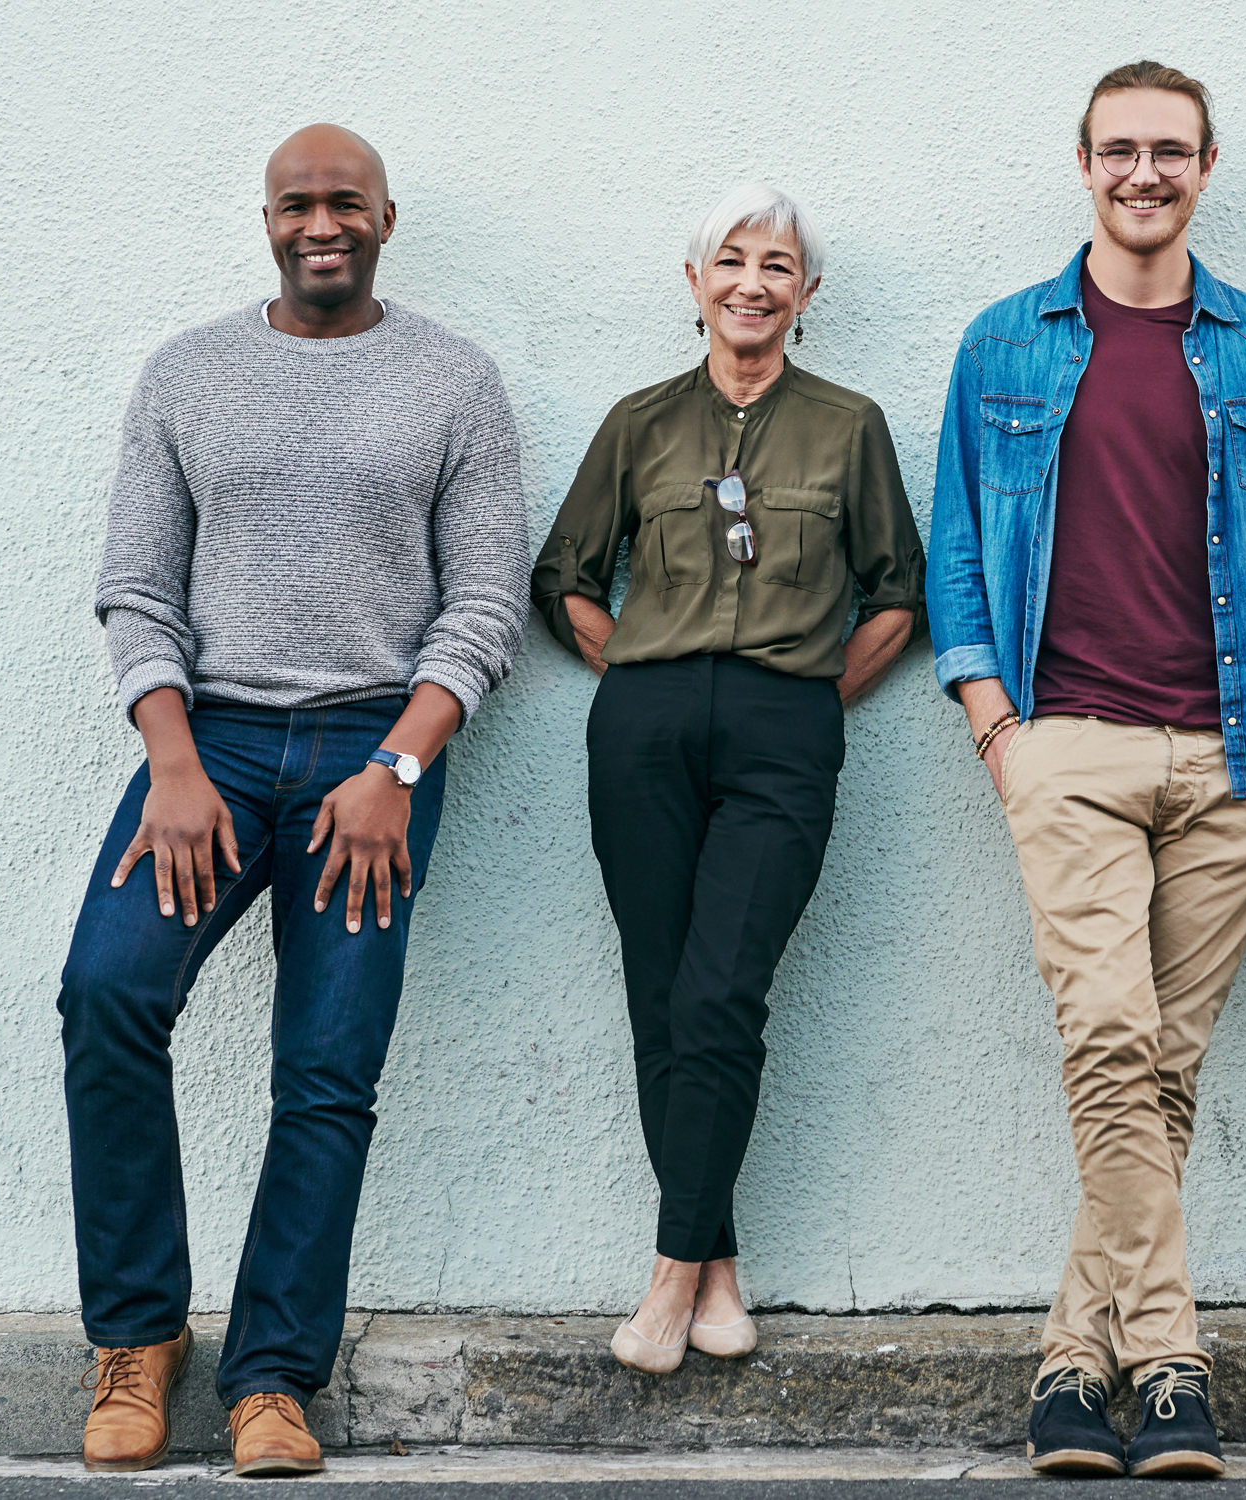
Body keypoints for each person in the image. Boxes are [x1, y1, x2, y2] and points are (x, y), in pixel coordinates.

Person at [57, 123, 528, 1478]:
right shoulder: (188, 374)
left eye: (346, 203)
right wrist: (173, 760)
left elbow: (483, 606)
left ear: (387, 217)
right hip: (205, 752)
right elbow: (137, 590)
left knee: (328, 1071)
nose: (321, 223)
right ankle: (139, 1343)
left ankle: (272, 1376)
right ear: (267, 219)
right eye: (295, 204)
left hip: (370, 761)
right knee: (108, 996)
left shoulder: (454, 380)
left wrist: (399, 767)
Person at [926, 59, 1246, 1481]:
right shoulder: (1006, 344)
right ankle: (1170, 1362)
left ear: (1207, 166)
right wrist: (997, 722)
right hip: (1071, 743)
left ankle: (1069, 1362)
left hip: (1235, 758)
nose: (1144, 173)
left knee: (1159, 1070)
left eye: (1171, 151)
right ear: (1085, 163)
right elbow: (959, 556)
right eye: (1121, 150)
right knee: (1110, 1039)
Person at [531, 183, 923, 1375]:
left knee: (719, 995)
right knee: (661, 995)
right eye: (732, 261)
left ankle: (665, 1276)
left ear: (809, 295)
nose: (754, 282)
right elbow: (565, 577)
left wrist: (803, 698)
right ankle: (719, 1268)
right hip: (643, 724)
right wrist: (640, 671)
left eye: (780, 265)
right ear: (695, 282)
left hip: (783, 729)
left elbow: (898, 592)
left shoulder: (850, 425)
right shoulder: (639, 423)